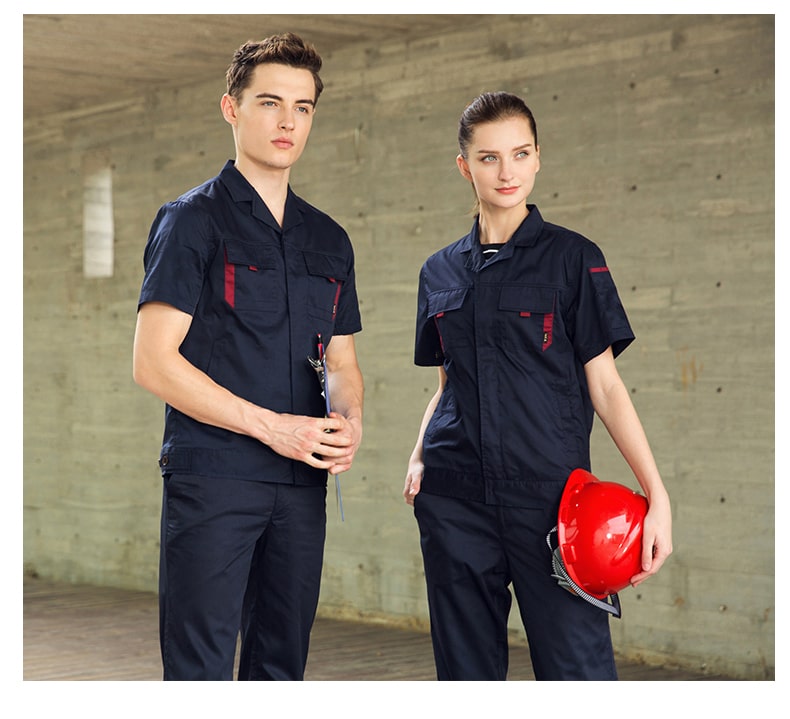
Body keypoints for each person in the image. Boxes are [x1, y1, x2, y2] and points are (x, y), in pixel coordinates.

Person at [403, 91, 672, 681]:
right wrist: (419, 456)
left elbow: (606, 387)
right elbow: (448, 385)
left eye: (520, 154)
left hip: (553, 506)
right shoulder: (438, 271)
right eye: (489, 157)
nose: (507, 172)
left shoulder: (573, 259)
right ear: (464, 166)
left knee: (577, 674)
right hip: (455, 499)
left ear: (538, 158)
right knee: (465, 677)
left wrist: (658, 497)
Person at [133, 33, 364, 681]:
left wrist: (350, 420)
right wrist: (273, 427)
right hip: (215, 480)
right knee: (200, 670)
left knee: (281, 666)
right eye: (270, 102)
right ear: (231, 108)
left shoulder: (330, 239)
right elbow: (153, 362)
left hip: (301, 486)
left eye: (302, 107)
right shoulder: (192, 221)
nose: (288, 121)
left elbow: (342, 362)